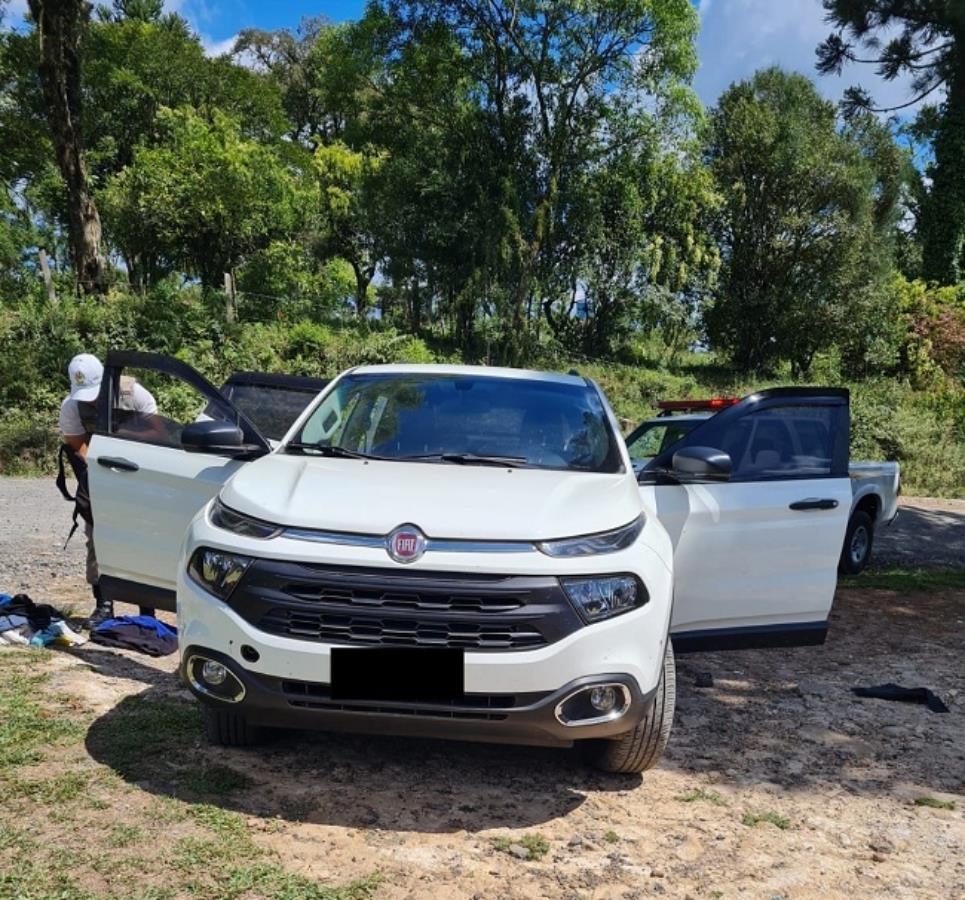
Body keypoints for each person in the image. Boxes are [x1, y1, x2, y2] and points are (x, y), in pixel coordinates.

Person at [57, 354, 159, 629]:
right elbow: (77, 444)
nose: (89, 401)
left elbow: (158, 432)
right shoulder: (71, 407)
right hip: (98, 473)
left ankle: (147, 610)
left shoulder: (135, 393)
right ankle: (104, 605)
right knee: (96, 537)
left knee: (141, 538)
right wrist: (102, 464)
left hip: (139, 470)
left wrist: (124, 441)